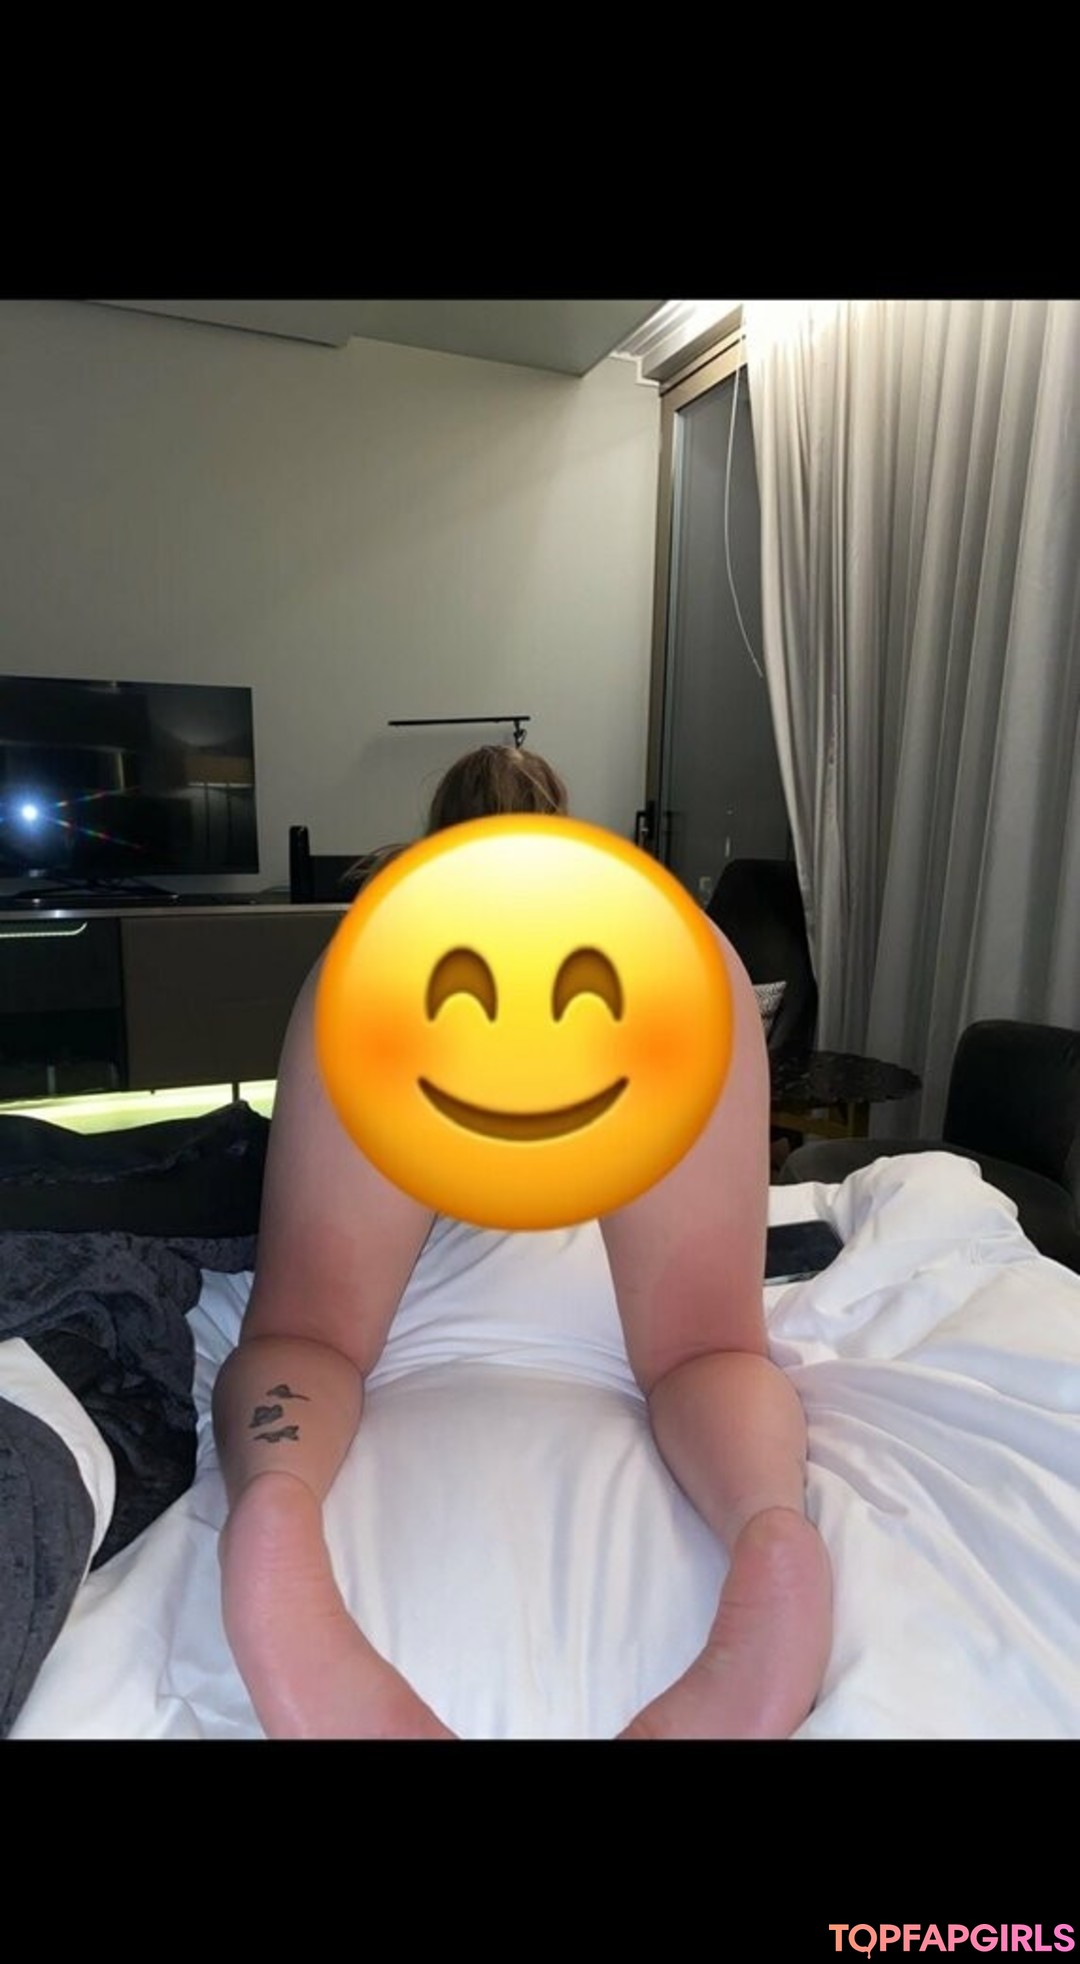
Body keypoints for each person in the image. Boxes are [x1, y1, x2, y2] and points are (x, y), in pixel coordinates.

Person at [212, 746, 832, 1738]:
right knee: (709, 1352)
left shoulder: (389, 931)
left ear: (434, 828)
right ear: (561, 815)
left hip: (429, 1260)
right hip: (648, 1013)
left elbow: (311, 1322)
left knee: (305, 1337)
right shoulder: (659, 927)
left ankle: (274, 1514)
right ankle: (771, 1529)